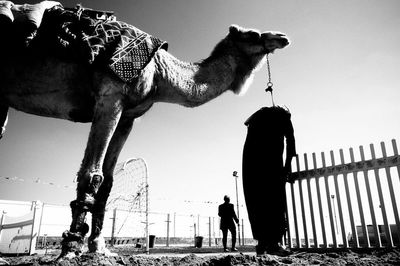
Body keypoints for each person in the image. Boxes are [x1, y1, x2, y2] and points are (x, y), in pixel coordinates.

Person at [242, 106, 296, 256]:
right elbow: (290, 141)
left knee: (257, 203)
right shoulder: (283, 117)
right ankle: (273, 244)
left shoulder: (256, 120)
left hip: (252, 166)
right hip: (271, 166)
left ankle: (262, 244)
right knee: (275, 202)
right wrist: (287, 166)